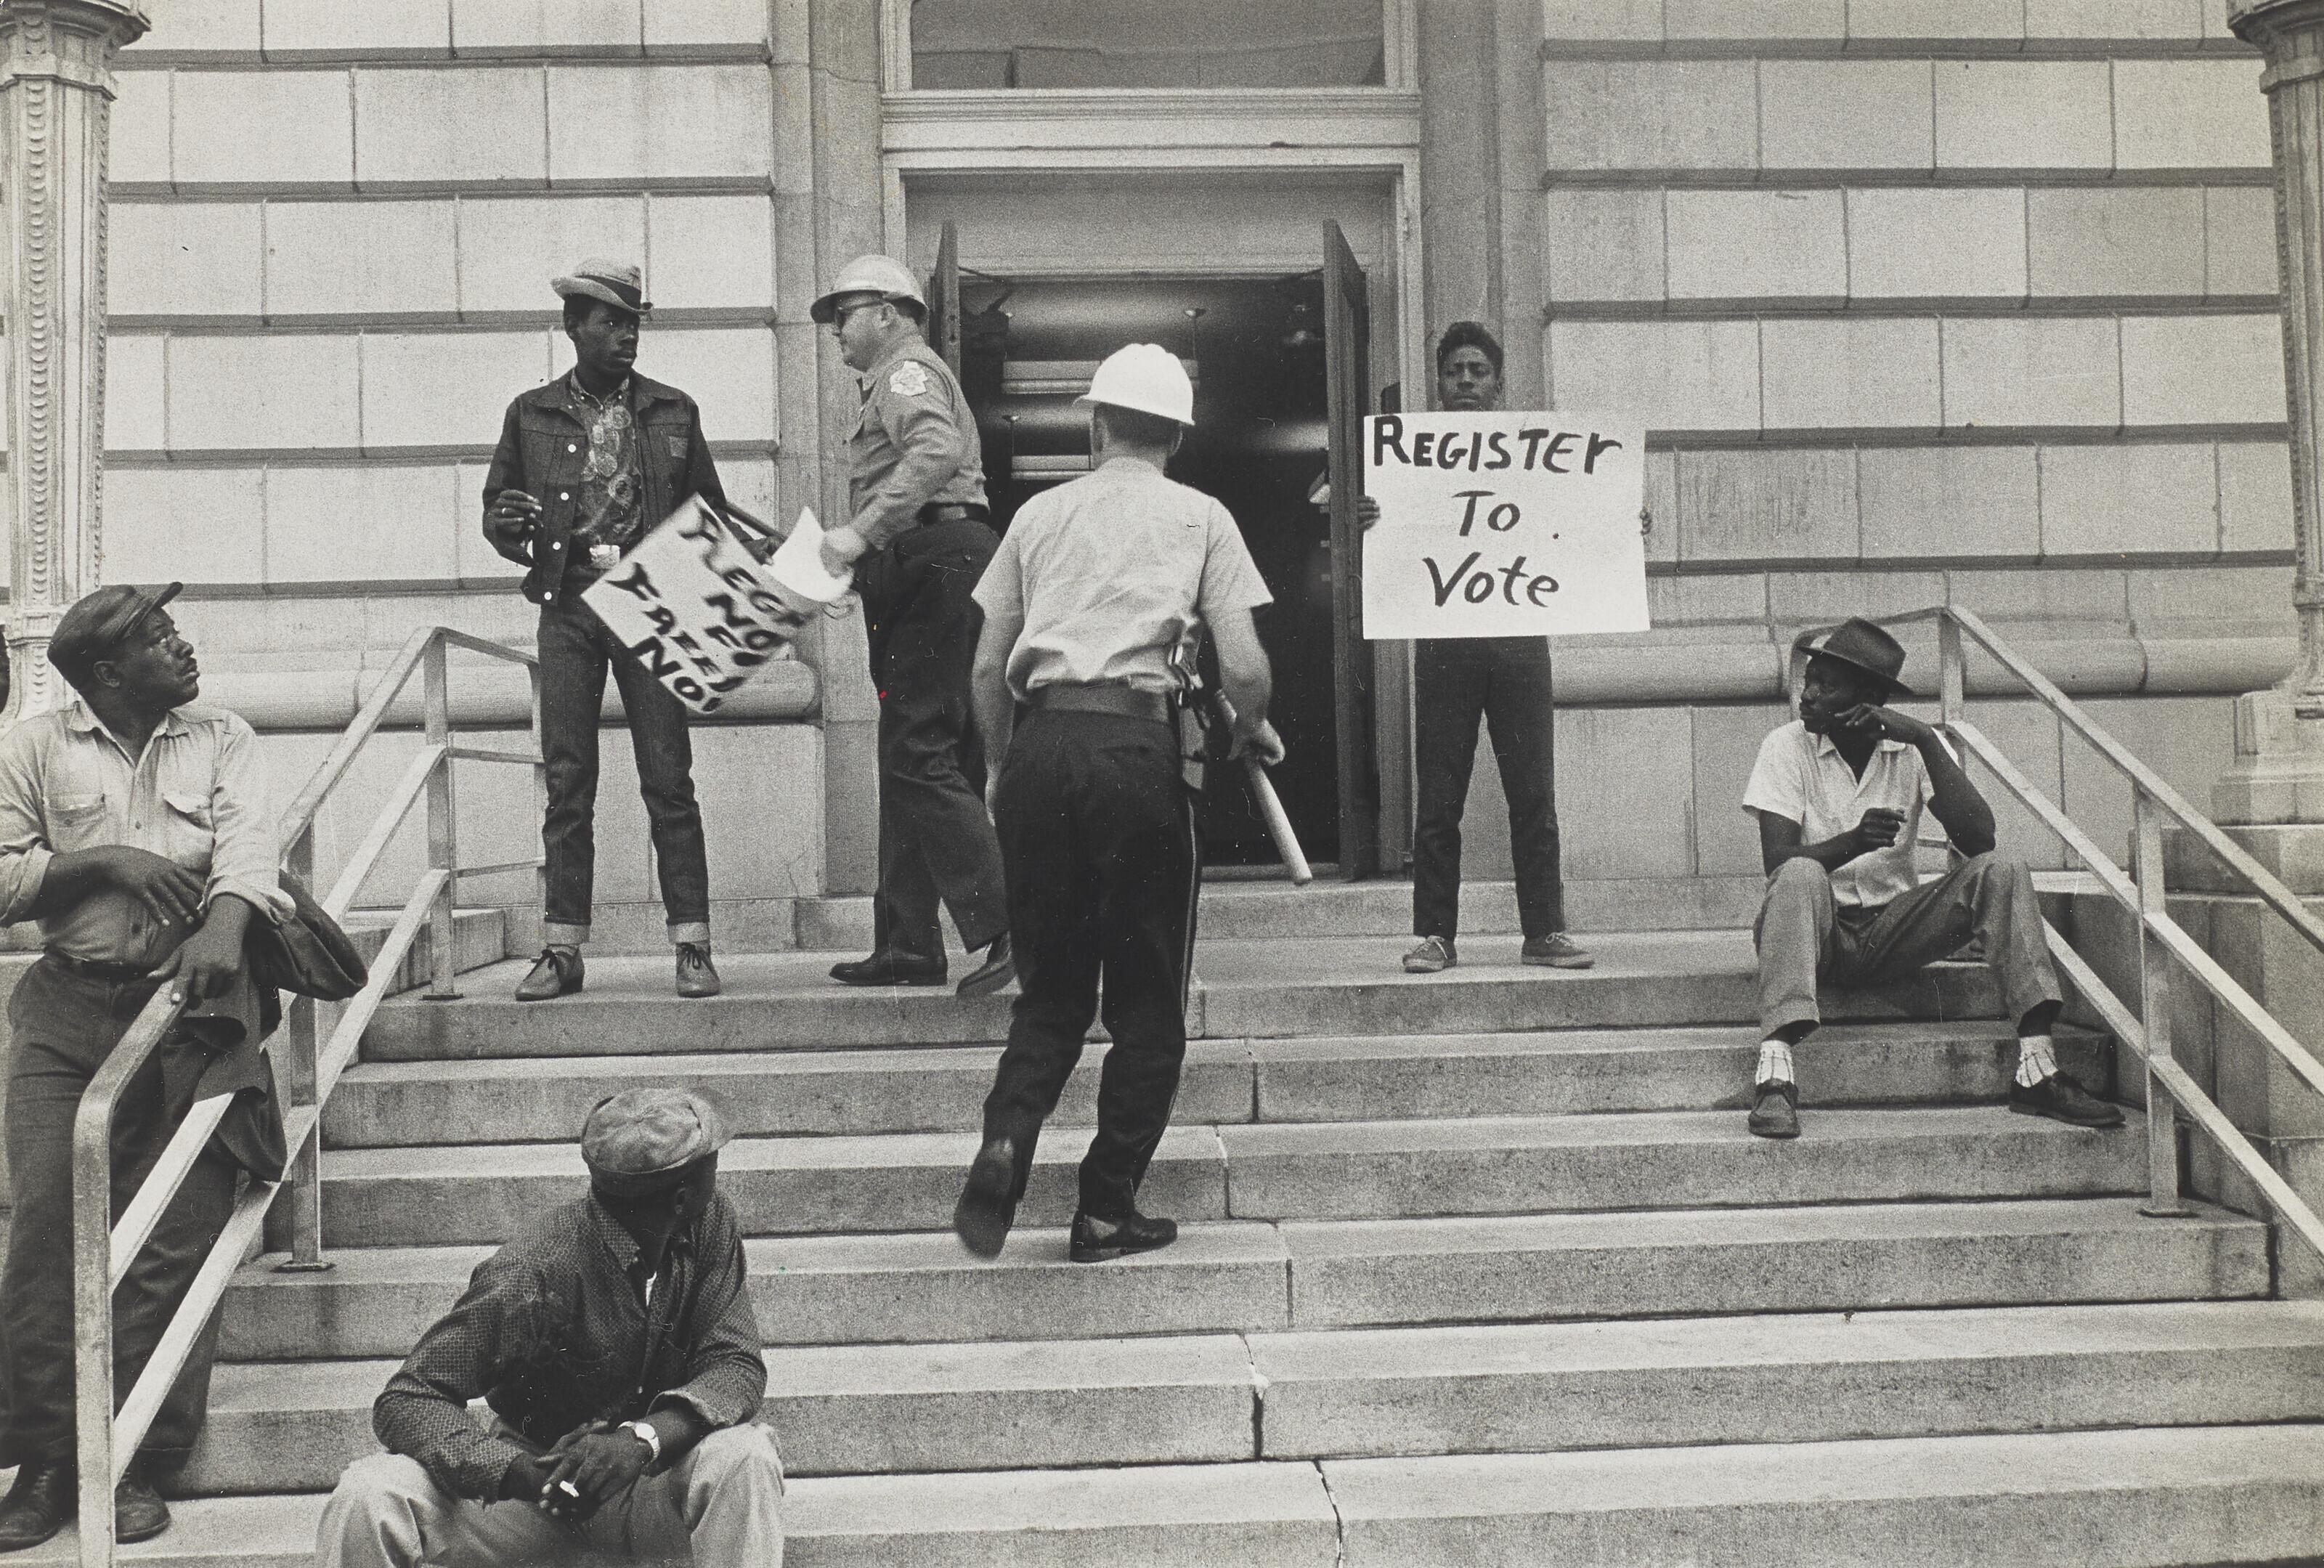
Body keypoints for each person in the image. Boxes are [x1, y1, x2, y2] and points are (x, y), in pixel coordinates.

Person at [951, 344, 1280, 1264]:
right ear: (1176, 433)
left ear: (1096, 426)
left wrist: (1001, 766)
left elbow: (986, 664)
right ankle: (1102, 1208)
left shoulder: (1039, 513)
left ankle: (1007, 1136)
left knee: (1049, 994)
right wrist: (1242, 727)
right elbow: (1244, 667)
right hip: (1138, 754)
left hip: (1041, 746)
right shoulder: (1201, 516)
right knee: (1146, 1002)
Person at [0, 583, 292, 1551]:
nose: (185, 646)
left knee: (176, 1232)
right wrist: (109, 861)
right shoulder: (32, 743)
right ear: (110, 674)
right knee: (47, 1221)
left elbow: (253, 843)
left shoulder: (223, 735)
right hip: (65, 1005)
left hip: (189, 1012)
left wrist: (225, 918)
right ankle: (48, 1460)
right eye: (162, 638)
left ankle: (130, 1458)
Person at [317, 1087, 784, 1567]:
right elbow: (408, 1399)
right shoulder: (536, 1268)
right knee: (369, 1493)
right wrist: (519, 1472)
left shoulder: (709, 1224)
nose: (718, 1171)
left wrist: (641, 1439)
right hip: (536, 1500)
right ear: (682, 1196)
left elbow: (734, 1362)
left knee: (745, 1452)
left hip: (652, 1488)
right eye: (713, 1161)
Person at [1742, 616, 2125, 1140]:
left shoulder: (1911, 749)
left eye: (1826, 685)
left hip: (1892, 932)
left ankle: (2037, 1067)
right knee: (1800, 871)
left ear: (1870, 698)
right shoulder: (1785, 745)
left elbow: (1979, 838)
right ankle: (1776, 1075)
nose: (1807, 695)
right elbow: (1777, 861)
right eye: (1810, 680)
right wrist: (1854, 840)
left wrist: (1925, 738)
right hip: (1815, 934)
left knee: (2003, 869)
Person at [482, 258, 726, 1003]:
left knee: (668, 778)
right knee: (567, 779)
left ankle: (692, 943)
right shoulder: (531, 411)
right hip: (568, 602)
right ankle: (562, 949)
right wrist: (504, 525)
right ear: (573, 327)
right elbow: (497, 510)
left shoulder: (673, 408)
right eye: (611, 322)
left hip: (650, 599)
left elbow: (708, 515)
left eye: (633, 323)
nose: (626, 336)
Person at [1355, 322, 1591, 975]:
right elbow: (1387, 543)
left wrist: (1623, 524)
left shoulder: (1532, 454)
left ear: (1497, 382)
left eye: (1476, 371)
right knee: (1439, 799)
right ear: (1438, 381)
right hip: (1445, 645)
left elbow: (1579, 520)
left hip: (1519, 643)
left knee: (1533, 797)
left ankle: (1544, 930)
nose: (1465, 381)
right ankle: (1435, 933)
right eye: (1455, 370)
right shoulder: (1411, 459)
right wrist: (1376, 519)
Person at [810, 253, 1014, 999]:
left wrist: (861, 532)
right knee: (916, 750)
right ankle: (906, 940)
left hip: (932, 557)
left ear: (890, 312)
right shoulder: (891, 378)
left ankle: (1010, 923)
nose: (836, 327)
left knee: (916, 750)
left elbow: (936, 451)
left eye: (847, 310)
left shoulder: (903, 372)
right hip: (932, 561)